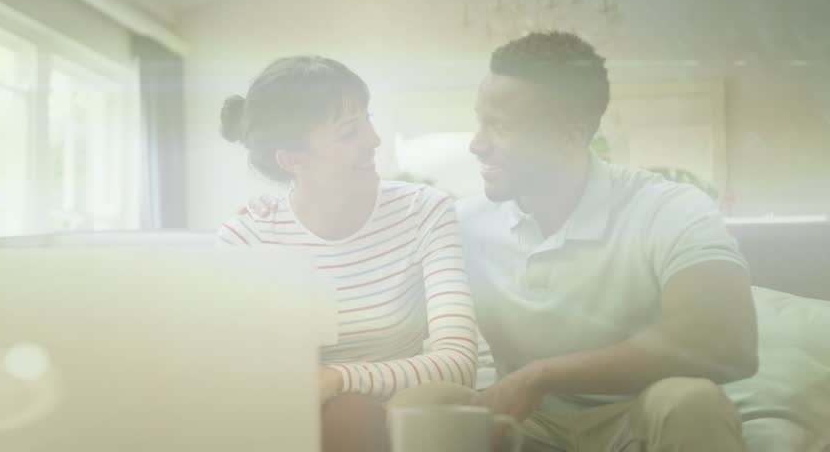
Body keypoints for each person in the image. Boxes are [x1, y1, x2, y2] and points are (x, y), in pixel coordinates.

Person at [388, 31, 759, 451]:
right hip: (523, 423)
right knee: (422, 403)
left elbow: (727, 343)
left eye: (500, 126)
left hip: (636, 417)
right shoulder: (462, 223)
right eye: (480, 120)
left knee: (692, 401)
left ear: (570, 135)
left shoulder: (667, 208)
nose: (477, 144)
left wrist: (542, 374)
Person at [217, 56, 478, 451]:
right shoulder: (247, 237)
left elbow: (458, 363)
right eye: (349, 132)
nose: (373, 139)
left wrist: (338, 378)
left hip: (401, 414)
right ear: (293, 160)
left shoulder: (424, 210)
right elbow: (236, 374)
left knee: (350, 413)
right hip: (294, 417)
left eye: (367, 120)